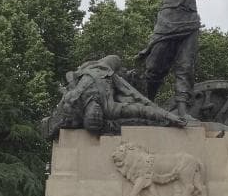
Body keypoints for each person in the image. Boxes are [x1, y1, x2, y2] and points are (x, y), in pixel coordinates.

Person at [137, 0, 224, 120]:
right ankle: (144, 103)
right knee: (154, 67)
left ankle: (183, 111)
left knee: (186, 68)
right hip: (168, 21)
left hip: (190, 22)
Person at [42, 54, 185, 138]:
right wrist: (168, 116)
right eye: (99, 117)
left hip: (87, 68)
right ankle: (124, 72)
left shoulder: (74, 100)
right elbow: (142, 108)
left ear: (85, 116)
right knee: (116, 60)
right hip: (108, 71)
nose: (97, 113)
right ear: (102, 117)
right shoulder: (110, 109)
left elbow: (70, 78)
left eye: (93, 117)